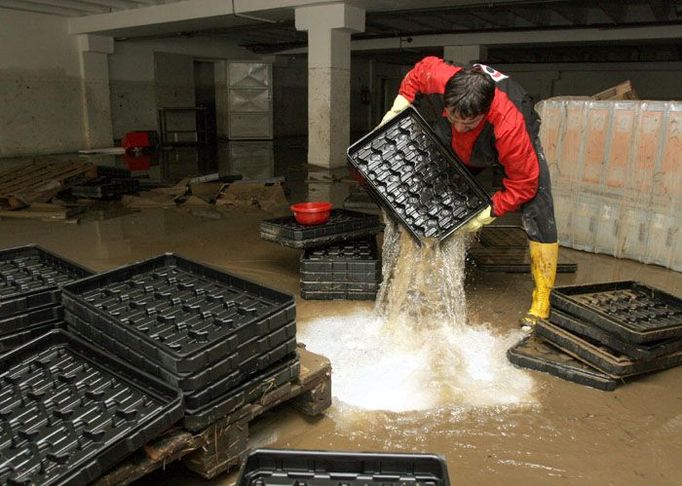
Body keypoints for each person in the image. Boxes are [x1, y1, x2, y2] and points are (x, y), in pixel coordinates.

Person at [381, 56, 558, 331]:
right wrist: (398, 107)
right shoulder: (438, 76)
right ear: (447, 102)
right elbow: (417, 73)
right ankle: (421, 277)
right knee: (430, 190)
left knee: (539, 208)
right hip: (458, 141)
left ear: (484, 113)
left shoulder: (510, 125)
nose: (461, 126)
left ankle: (542, 298)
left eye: (469, 123)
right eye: (455, 118)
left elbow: (524, 183)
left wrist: (485, 214)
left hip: (497, 144)